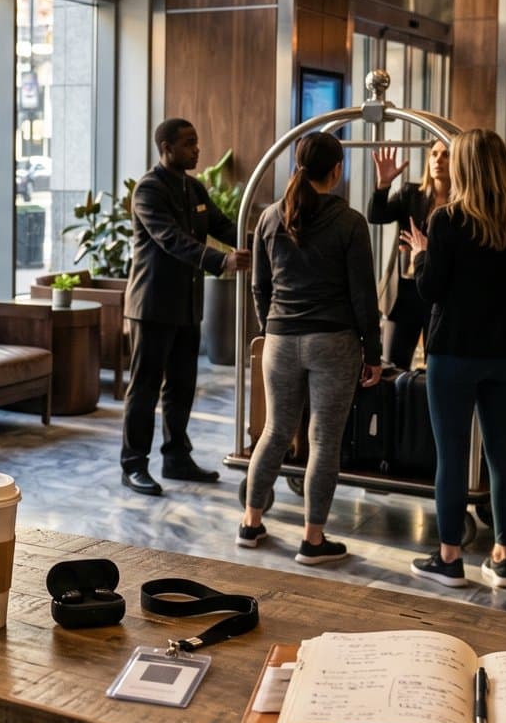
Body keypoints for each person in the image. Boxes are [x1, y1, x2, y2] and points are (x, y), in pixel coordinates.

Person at [239, 132, 382, 566]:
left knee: (274, 432)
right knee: (323, 440)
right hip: (333, 342)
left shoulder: (268, 217)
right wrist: (373, 352)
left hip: (280, 340)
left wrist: (272, 327)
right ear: (336, 170)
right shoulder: (350, 221)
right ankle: (313, 540)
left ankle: (250, 522)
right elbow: (363, 297)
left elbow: (259, 287)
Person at [402, 129, 506, 589]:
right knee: (503, 455)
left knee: (452, 455)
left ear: (462, 166)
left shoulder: (447, 220)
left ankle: (450, 558)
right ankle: (504, 557)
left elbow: (431, 291)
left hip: (454, 353)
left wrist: (420, 257)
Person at [119, 118, 252, 496]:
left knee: (181, 386)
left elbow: (226, 227)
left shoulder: (194, 187)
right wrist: (220, 261)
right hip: (152, 306)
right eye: (189, 143)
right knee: (144, 389)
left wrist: (273, 237)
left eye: (196, 142)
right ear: (166, 147)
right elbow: (170, 239)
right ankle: (133, 466)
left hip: (187, 307)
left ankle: (176, 458)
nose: (197, 149)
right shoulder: (148, 189)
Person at [368, 139, 450, 369]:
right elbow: (376, 216)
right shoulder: (411, 193)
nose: (438, 160)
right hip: (405, 289)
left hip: (438, 292)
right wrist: (383, 185)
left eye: (446, 155)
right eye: (434, 154)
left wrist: (426, 249)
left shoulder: (462, 203)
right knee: (394, 363)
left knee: (437, 363)